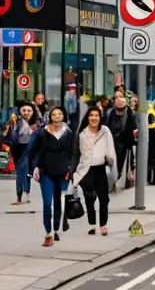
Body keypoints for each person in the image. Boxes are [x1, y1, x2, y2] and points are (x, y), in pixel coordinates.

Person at [30, 106, 76, 247]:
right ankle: (48, 233)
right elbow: (36, 152)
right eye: (54, 114)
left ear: (63, 116)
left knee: (59, 203)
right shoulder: (42, 133)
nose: (56, 116)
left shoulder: (69, 133)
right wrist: (35, 168)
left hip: (63, 172)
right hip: (46, 171)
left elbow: (73, 154)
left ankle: (56, 227)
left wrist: (71, 170)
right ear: (50, 117)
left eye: (59, 114)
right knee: (47, 203)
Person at [72, 105, 116, 236]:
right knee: (89, 198)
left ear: (100, 117)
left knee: (104, 198)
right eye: (91, 115)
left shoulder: (105, 131)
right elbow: (76, 153)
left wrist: (112, 165)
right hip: (86, 170)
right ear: (87, 117)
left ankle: (103, 224)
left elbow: (111, 149)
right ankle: (91, 224)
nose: (94, 118)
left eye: (96, 115)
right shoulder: (82, 133)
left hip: (101, 168)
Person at [5, 102, 39, 205]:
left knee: (27, 173)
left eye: (29, 111)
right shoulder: (16, 122)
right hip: (20, 150)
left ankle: (26, 194)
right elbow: (13, 137)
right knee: (21, 173)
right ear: (20, 111)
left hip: (31, 150)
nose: (26, 113)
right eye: (24, 110)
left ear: (33, 112)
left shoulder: (36, 123)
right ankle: (20, 195)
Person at [104, 93, 138, 191]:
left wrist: (133, 138)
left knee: (121, 163)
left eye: (121, 100)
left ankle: (115, 180)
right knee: (110, 162)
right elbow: (105, 125)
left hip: (125, 142)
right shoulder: (110, 113)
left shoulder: (130, 113)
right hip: (111, 141)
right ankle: (112, 182)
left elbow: (133, 127)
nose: (118, 102)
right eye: (117, 100)